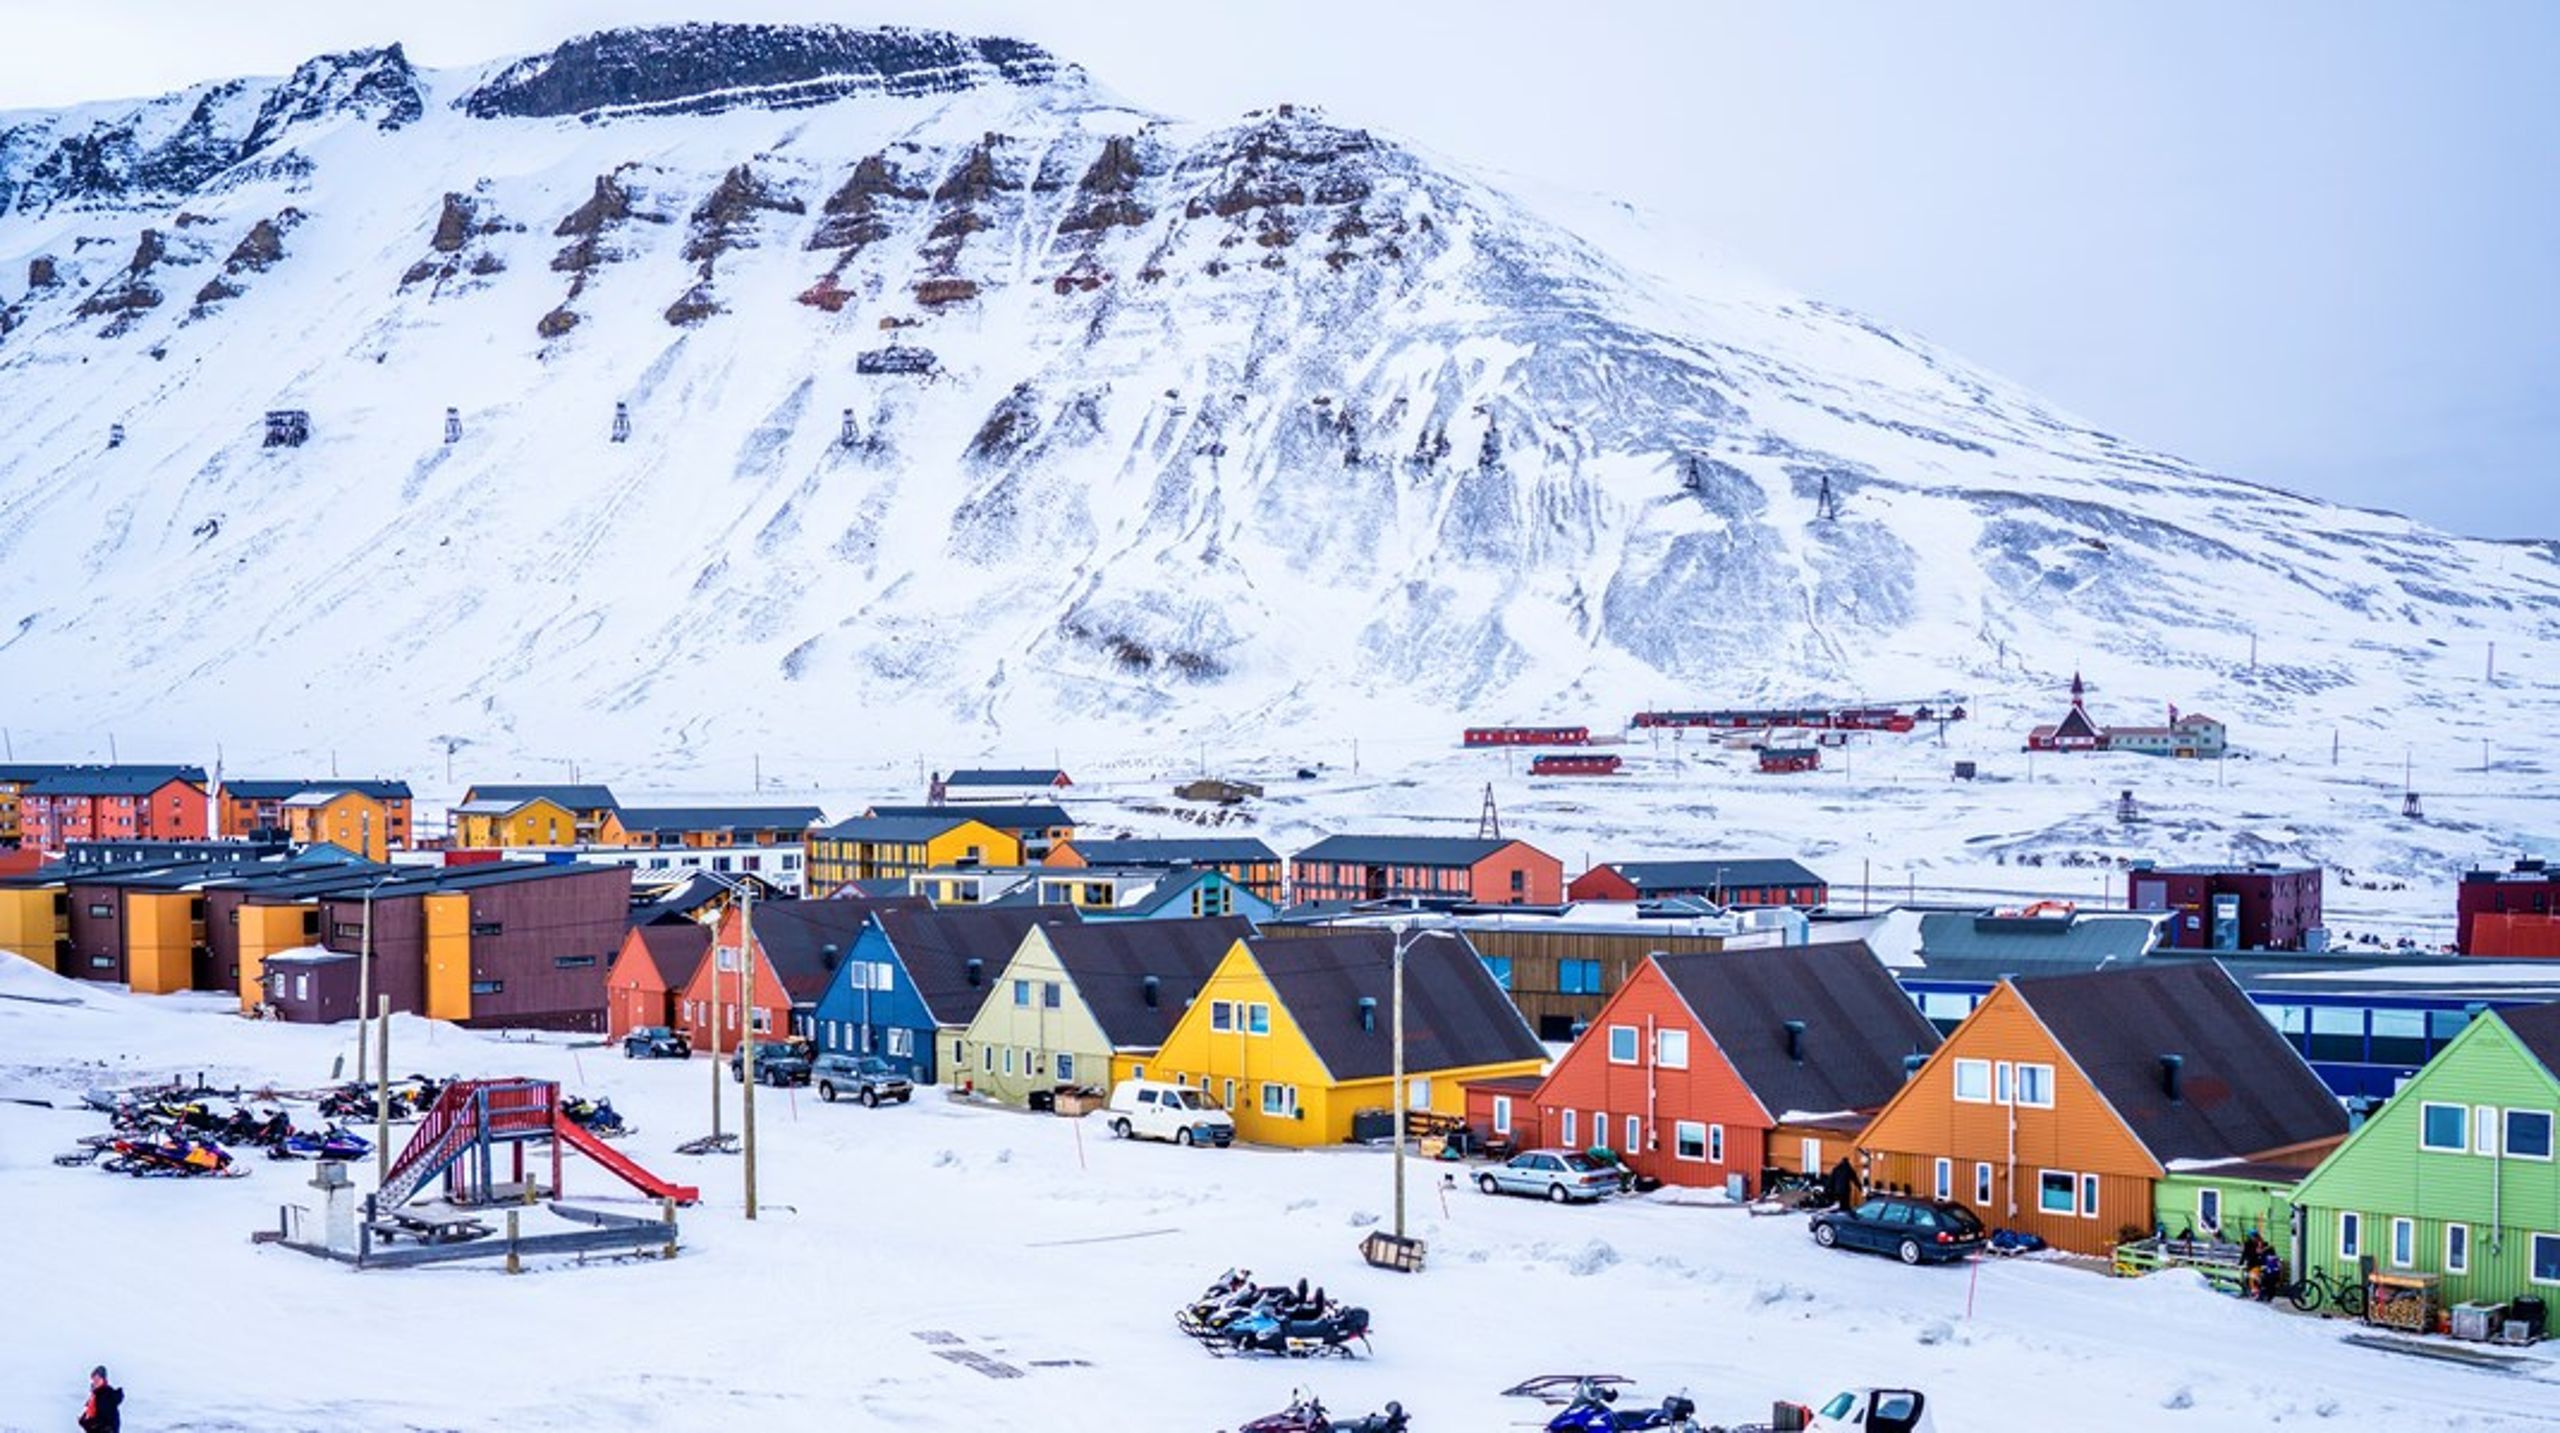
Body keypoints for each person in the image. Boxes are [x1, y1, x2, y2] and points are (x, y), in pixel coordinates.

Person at [79, 1365, 121, 1433]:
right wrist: (83, 1419)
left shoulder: (106, 1394)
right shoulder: (95, 1395)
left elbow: (102, 1419)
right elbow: (90, 1414)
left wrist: (86, 1423)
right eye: (94, 1379)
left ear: (103, 1379)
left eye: (98, 1379)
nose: (95, 1381)